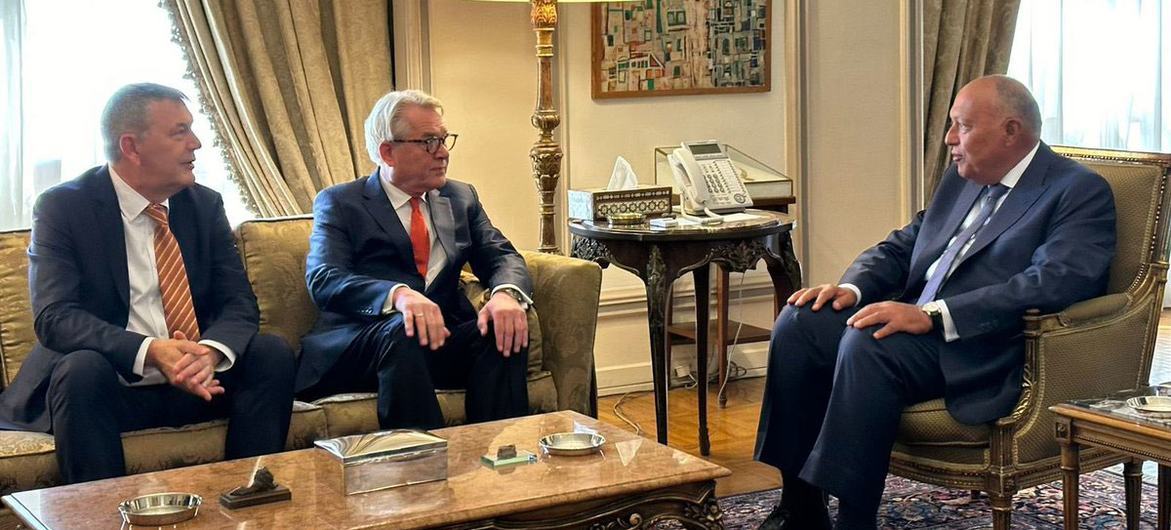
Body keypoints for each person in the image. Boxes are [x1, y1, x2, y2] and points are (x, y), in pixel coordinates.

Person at [753, 75, 1117, 529]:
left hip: (978, 345)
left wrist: (932, 316)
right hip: (914, 321)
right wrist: (853, 289)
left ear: (1010, 131)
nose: (949, 139)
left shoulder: (1077, 190)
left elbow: (1057, 282)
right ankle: (800, 506)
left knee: (869, 345)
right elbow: (905, 244)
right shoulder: (963, 177)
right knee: (801, 320)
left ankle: (855, 517)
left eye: (961, 126)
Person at [0, 83, 296, 484]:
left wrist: (208, 354)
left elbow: (238, 303)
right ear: (131, 147)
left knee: (270, 352)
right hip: (114, 386)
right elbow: (55, 317)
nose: (196, 144)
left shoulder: (204, 205)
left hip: (200, 385)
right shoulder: (65, 207)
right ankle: (99, 518)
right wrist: (151, 351)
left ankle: (249, 501)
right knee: (81, 369)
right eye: (179, 133)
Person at [296, 89, 532, 430]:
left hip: (437, 341)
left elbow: (501, 256)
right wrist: (399, 296)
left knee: (502, 325)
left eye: (444, 139)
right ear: (387, 151)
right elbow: (324, 278)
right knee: (404, 329)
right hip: (365, 343)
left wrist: (506, 295)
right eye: (429, 142)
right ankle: (422, 470)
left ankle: (499, 458)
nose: (443, 153)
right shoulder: (341, 202)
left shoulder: (460, 197)